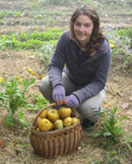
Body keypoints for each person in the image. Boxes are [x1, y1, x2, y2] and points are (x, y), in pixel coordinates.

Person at [39, 5, 112, 127]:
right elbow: (56, 65)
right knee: (45, 84)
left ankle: (89, 118)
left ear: (94, 27)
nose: (81, 29)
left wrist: (79, 95)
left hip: (92, 86)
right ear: (73, 24)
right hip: (71, 79)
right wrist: (57, 84)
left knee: (89, 110)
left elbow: (99, 82)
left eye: (87, 25)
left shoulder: (103, 48)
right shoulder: (66, 38)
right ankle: (62, 113)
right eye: (78, 24)